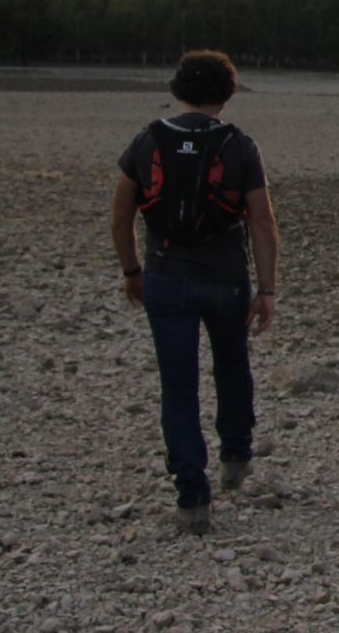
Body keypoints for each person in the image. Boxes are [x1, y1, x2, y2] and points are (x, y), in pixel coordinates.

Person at [109, 49, 279, 535]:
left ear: (178, 90)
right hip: (225, 277)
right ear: (227, 94)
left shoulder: (147, 141)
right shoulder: (240, 147)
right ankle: (236, 454)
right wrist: (266, 289)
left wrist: (131, 271)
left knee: (178, 385)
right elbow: (263, 224)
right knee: (232, 365)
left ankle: (192, 497)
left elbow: (121, 217)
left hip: (165, 276)